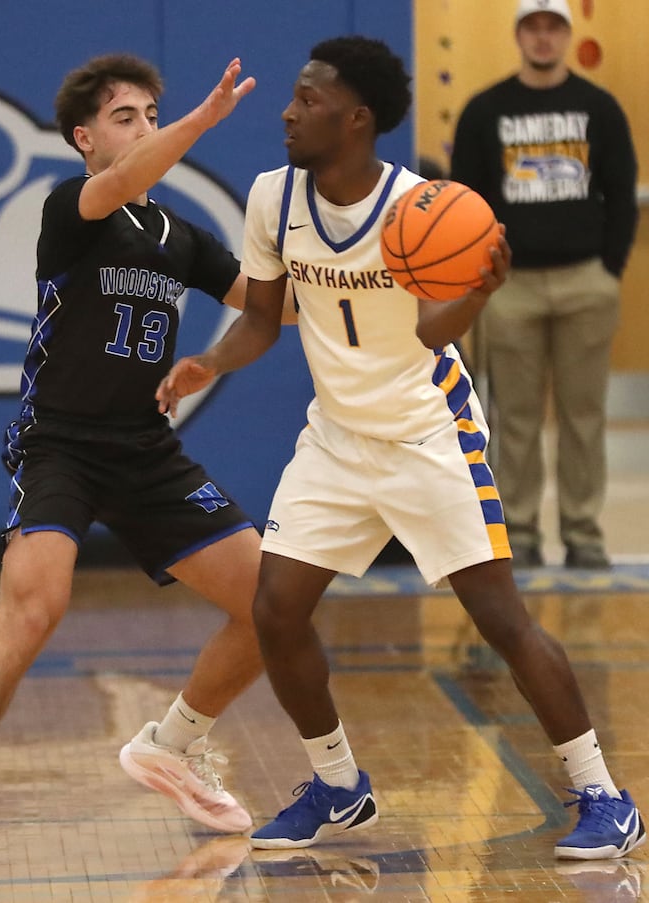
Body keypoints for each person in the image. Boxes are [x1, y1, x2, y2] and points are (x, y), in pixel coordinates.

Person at [156, 35, 644, 859]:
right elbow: (265, 318)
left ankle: (605, 794)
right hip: (338, 437)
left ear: (357, 119)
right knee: (275, 610)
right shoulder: (274, 197)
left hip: (429, 431)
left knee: (500, 618)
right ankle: (339, 786)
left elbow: (431, 330)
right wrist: (210, 360)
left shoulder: (422, 207)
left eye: (307, 99)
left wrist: (478, 291)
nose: (287, 110)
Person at [0, 52, 280, 868]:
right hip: (59, 439)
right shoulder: (73, 207)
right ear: (84, 138)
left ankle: (173, 744)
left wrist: (371, 267)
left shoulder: (181, 237)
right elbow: (125, 177)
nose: (143, 127)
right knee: (34, 608)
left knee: (273, 603)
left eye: (150, 113)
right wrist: (198, 123)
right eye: (125, 117)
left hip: (145, 446)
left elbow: (271, 307)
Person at [450, 0, 638, 570]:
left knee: (584, 416)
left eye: (552, 27)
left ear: (565, 34)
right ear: (518, 35)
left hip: (587, 281)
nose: (541, 37)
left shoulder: (599, 108)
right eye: (531, 26)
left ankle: (583, 533)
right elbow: (467, 200)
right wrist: (484, 276)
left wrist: (608, 268)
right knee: (516, 417)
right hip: (512, 286)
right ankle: (522, 532)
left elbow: (622, 193)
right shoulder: (485, 111)